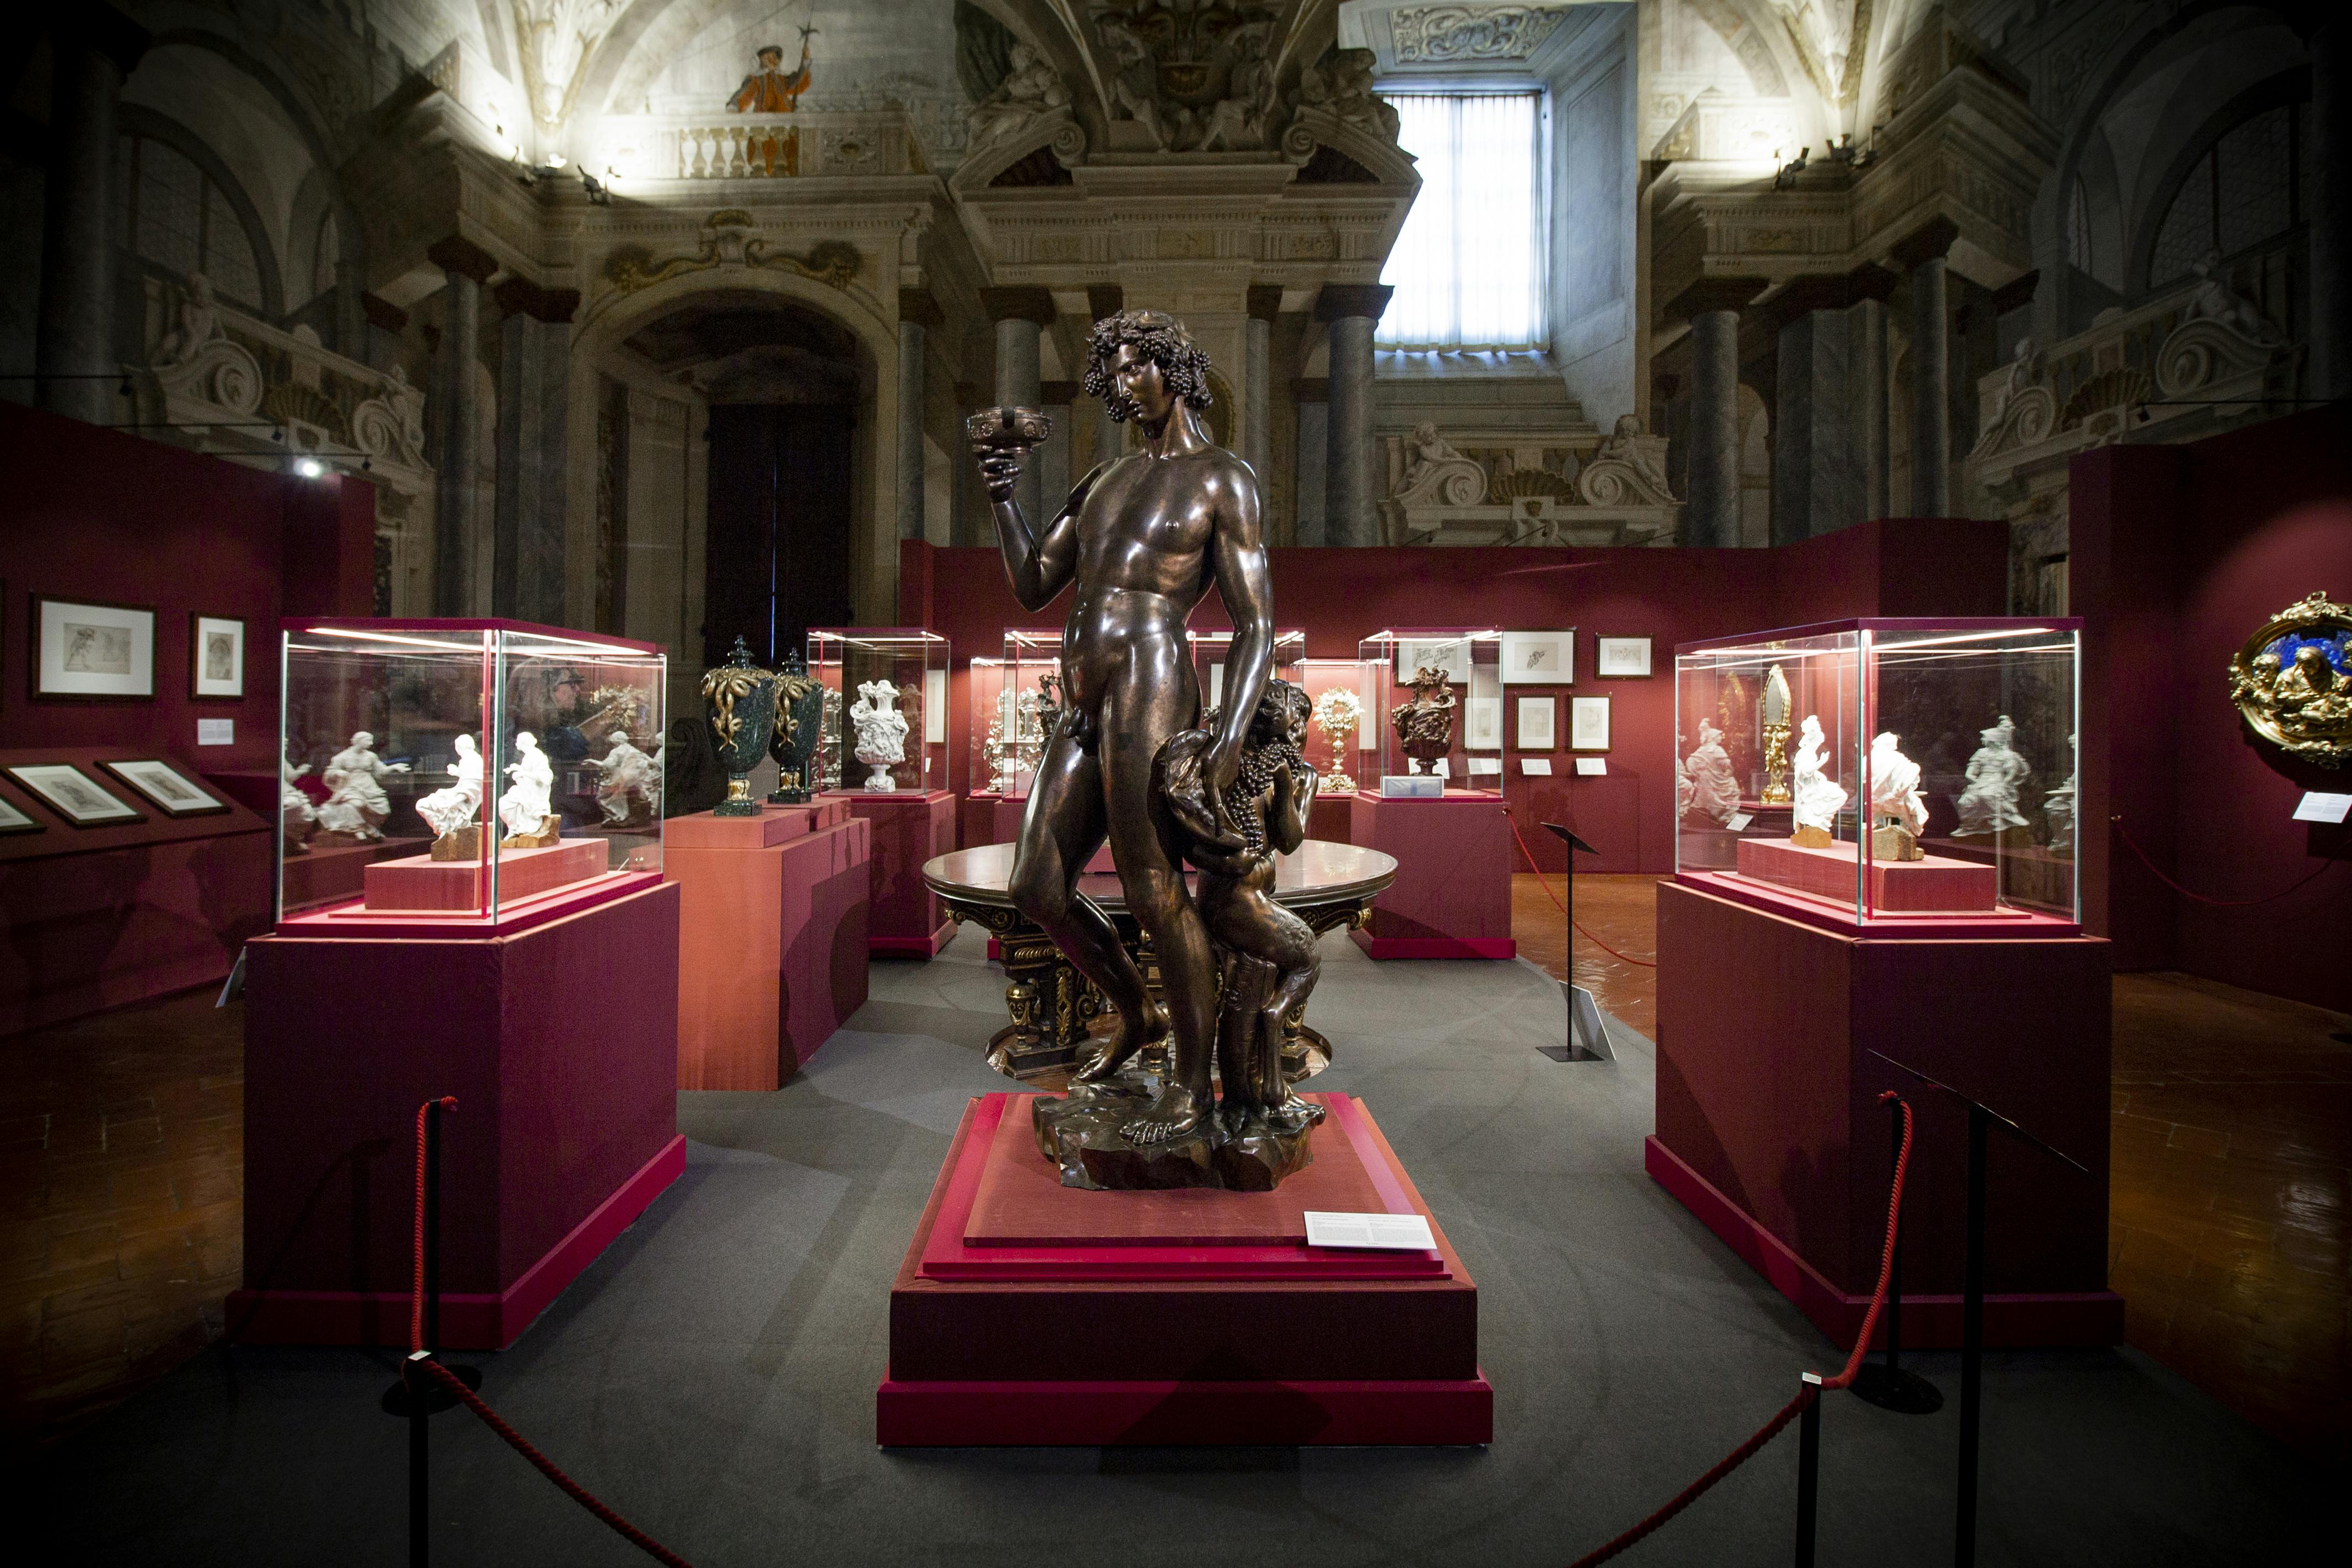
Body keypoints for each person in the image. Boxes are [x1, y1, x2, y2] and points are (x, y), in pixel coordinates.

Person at [972, 308, 1273, 1147]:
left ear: (1174, 368)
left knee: (1151, 885)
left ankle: (1191, 1087)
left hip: (1151, 674)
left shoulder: (1224, 478)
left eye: (1135, 366)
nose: (1120, 383)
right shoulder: (1103, 482)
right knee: (1037, 885)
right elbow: (1036, 583)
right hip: (1081, 687)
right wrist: (1002, 496)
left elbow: (1255, 625)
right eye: (1112, 371)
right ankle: (1136, 1012)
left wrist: (1229, 737)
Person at [1158, 679, 1324, 1136]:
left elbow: (1289, 840)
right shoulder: (1225, 766)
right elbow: (1196, 844)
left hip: (1257, 896)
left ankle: (1245, 1098)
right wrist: (1229, 855)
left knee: (1246, 992)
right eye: (1276, 733)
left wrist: (1286, 782)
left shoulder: (1301, 775)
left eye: (1295, 732)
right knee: (1308, 957)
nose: (1287, 743)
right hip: (1230, 899)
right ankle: (1272, 1036)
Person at [729, 39, 811, 113]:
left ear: (778, 61)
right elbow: (745, 94)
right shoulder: (756, 79)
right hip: (764, 116)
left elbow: (799, 84)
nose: (771, 60)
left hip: (785, 114)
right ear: (761, 61)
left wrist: (805, 61)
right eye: (767, 57)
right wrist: (734, 106)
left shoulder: (782, 78)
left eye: (774, 57)